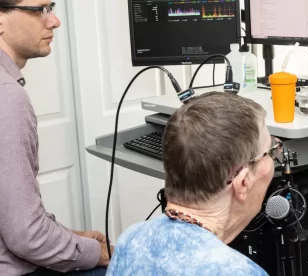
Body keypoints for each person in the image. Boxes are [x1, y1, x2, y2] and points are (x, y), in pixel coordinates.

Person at [106, 92, 277, 275]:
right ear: (243, 182)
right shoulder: (240, 272)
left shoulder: (131, 240)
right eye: (271, 151)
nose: (275, 158)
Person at [0, 0, 112, 275]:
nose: (54, 21)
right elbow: (27, 237)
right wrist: (92, 252)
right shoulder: (8, 98)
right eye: (40, 10)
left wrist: (71, 236)